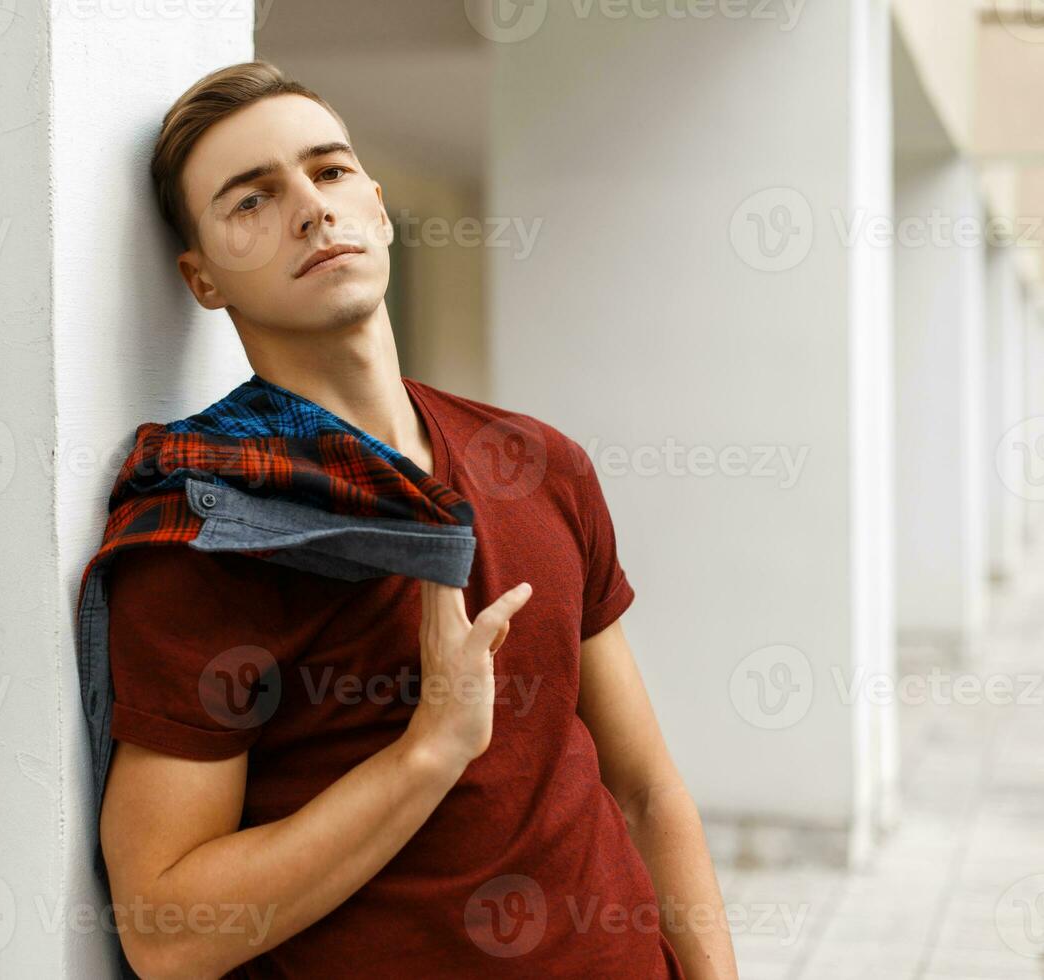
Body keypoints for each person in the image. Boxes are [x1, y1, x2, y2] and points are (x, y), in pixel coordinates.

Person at [97, 59, 738, 979]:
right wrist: (428, 751)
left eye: (329, 170)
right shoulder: (218, 524)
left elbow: (643, 791)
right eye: (251, 201)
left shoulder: (541, 465)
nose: (311, 208)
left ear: (378, 205)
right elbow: (167, 930)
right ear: (202, 280)